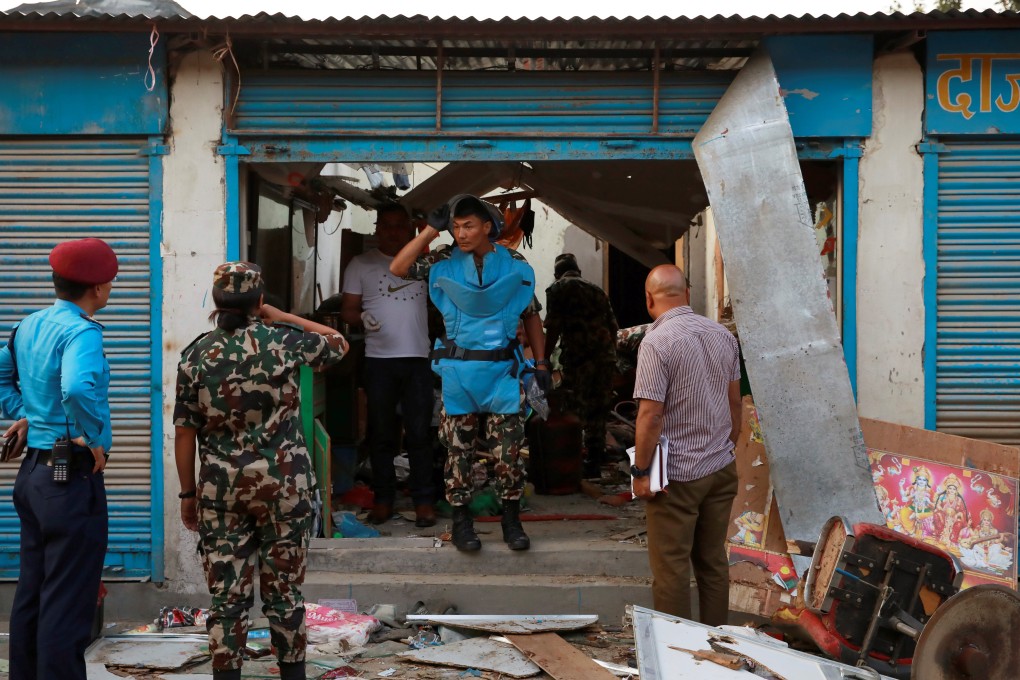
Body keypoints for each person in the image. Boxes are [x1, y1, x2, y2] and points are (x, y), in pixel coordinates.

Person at [174, 262, 348, 680]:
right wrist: (283, 316)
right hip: (284, 489)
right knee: (284, 593)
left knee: (227, 597)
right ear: (259, 301)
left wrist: (187, 495)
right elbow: (337, 343)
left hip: (222, 492)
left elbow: (184, 432)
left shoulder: (196, 354)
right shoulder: (283, 342)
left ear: (216, 304)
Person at [390, 194, 550, 552]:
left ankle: (511, 521)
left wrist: (541, 364)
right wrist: (431, 229)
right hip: (459, 372)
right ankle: (462, 523)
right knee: (457, 453)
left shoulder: (514, 263)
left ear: (488, 228)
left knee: (508, 454)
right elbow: (398, 268)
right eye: (456, 226)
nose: (460, 233)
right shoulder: (443, 259)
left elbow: (531, 315)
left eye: (469, 226)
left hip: (503, 372)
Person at [0, 238, 118, 680]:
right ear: (98, 289)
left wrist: (28, 414)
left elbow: (3, 375)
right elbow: (75, 388)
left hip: (33, 475)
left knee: (33, 589)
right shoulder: (81, 331)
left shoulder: (28, 324)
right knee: (68, 600)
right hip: (69, 479)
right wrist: (93, 438)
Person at [631, 265, 740, 626]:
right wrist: (726, 448)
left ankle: (677, 653)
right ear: (687, 294)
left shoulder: (656, 342)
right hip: (720, 468)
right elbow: (735, 403)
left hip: (676, 476)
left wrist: (641, 471)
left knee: (672, 570)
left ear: (649, 299)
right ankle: (718, 647)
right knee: (713, 563)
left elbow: (650, 415)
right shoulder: (722, 335)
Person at [341, 204, 436, 527]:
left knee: (421, 433)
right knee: (381, 434)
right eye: (388, 225)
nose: (393, 231)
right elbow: (348, 310)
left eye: (400, 226)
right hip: (379, 361)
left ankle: (424, 501)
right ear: (377, 228)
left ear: (410, 229)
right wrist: (360, 318)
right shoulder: (360, 264)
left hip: (418, 360)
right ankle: (383, 499)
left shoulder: (425, 264)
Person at [544, 253, 619, 477]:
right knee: (598, 409)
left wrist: (544, 359)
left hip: (578, 358)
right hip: (603, 357)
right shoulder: (597, 290)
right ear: (579, 271)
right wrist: (610, 353)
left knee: (574, 408)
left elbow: (554, 328)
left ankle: (571, 459)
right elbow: (613, 326)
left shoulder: (557, 289)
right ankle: (594, 460)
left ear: (557, 274)